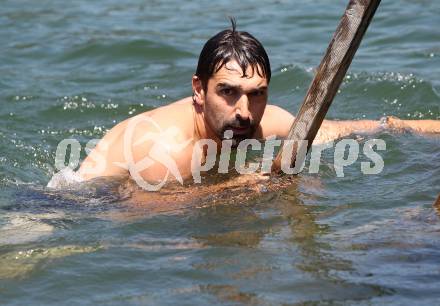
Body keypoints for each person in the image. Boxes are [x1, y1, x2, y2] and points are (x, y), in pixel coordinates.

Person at [77, 20, 440, 187]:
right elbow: (138, 212)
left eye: (257, 93)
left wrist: (412, 127)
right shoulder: (167, 147)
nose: (244, 111)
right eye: (228, 91)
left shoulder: (260, 124)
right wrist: (247, 186)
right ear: (199, 90)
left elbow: (337, 131)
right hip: (70, 208)